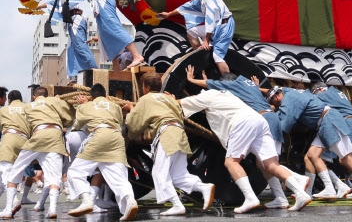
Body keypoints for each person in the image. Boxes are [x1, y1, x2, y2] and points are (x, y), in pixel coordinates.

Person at [186, 67, 309, 210]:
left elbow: (213, 87)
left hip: (262, 118)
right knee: (262, 163)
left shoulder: (232, 85)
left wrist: (191, 80)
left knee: (266, 163)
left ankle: (298, 179)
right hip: (268, 118)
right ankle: (281, 198)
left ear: (227, 82)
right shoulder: (247, 83)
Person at [267, 87, 352, 204]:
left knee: (346, 159)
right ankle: (329, 188)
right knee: (312, 155)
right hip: (324, 122)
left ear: (276, 96)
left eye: (274, 102)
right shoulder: (293, 92)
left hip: (329, 121)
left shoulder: (289, 98)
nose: (276, 105)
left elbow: (285, 121)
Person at [124, 72, 214, 216]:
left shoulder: (145, 99)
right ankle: (203, 187)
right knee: (178, 174)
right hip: (180, 134)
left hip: (167, 134)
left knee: (159, 172)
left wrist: (130, 109)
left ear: (146, 87)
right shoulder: (170, 98)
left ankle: (177, 205)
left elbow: (134, 125)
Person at [36, 0, 144, 70]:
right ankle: (116, 68)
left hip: (101, 0)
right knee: (105, 37)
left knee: (114, 27)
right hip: (97, 4)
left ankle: (136, 55)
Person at [0, 86, 76, 219]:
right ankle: (52, 209)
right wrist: (58, 103)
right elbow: (70, 116)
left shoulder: (29, 107)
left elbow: (29, 123)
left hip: (33, 137)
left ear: (34, 97)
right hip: (53, 136)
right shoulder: (53, 101)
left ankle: (8, 208)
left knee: (14, 172)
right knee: (54, 176)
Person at [66, 83, 138, 221]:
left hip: (99, 135)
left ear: (91, 97)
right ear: (106, 95)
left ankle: (87, 200)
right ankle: (130, 202)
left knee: (75, 171)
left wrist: (83, 105)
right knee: (119, 177)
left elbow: (77, 125)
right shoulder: (115, 106)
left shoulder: (86, 106)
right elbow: (119, 119)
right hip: (116, 138)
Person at [311, 83, 352, 200]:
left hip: (347, 123)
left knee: (345, 159)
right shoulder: (336, 92)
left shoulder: (325, 94)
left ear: (320, 89)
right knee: (346, 160)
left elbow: (309, 101)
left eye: (316, 93)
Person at [158, 0, 234, 75]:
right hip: (217, 27)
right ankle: (201, 56)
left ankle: (229, 82)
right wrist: (169, 14)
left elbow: (211, 18)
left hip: (225, 27)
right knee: (191, 31)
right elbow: (186, 7)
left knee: (218, 56)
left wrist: (206, 40)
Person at [38, 0, 98, 77]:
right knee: (72, 49)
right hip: (72, 21)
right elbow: (50, 3)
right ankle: (77, 75)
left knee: (80, 46)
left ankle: (95, 72)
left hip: (76, 20)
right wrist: (37, 7)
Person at [0, 91, 30, 212]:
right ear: (22, 98)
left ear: (9, 100)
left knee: (4, 170)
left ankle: (13, 201)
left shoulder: (3, 110)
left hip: (9, 138)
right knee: (14, 172)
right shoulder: (28, 108)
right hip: (25, 140)